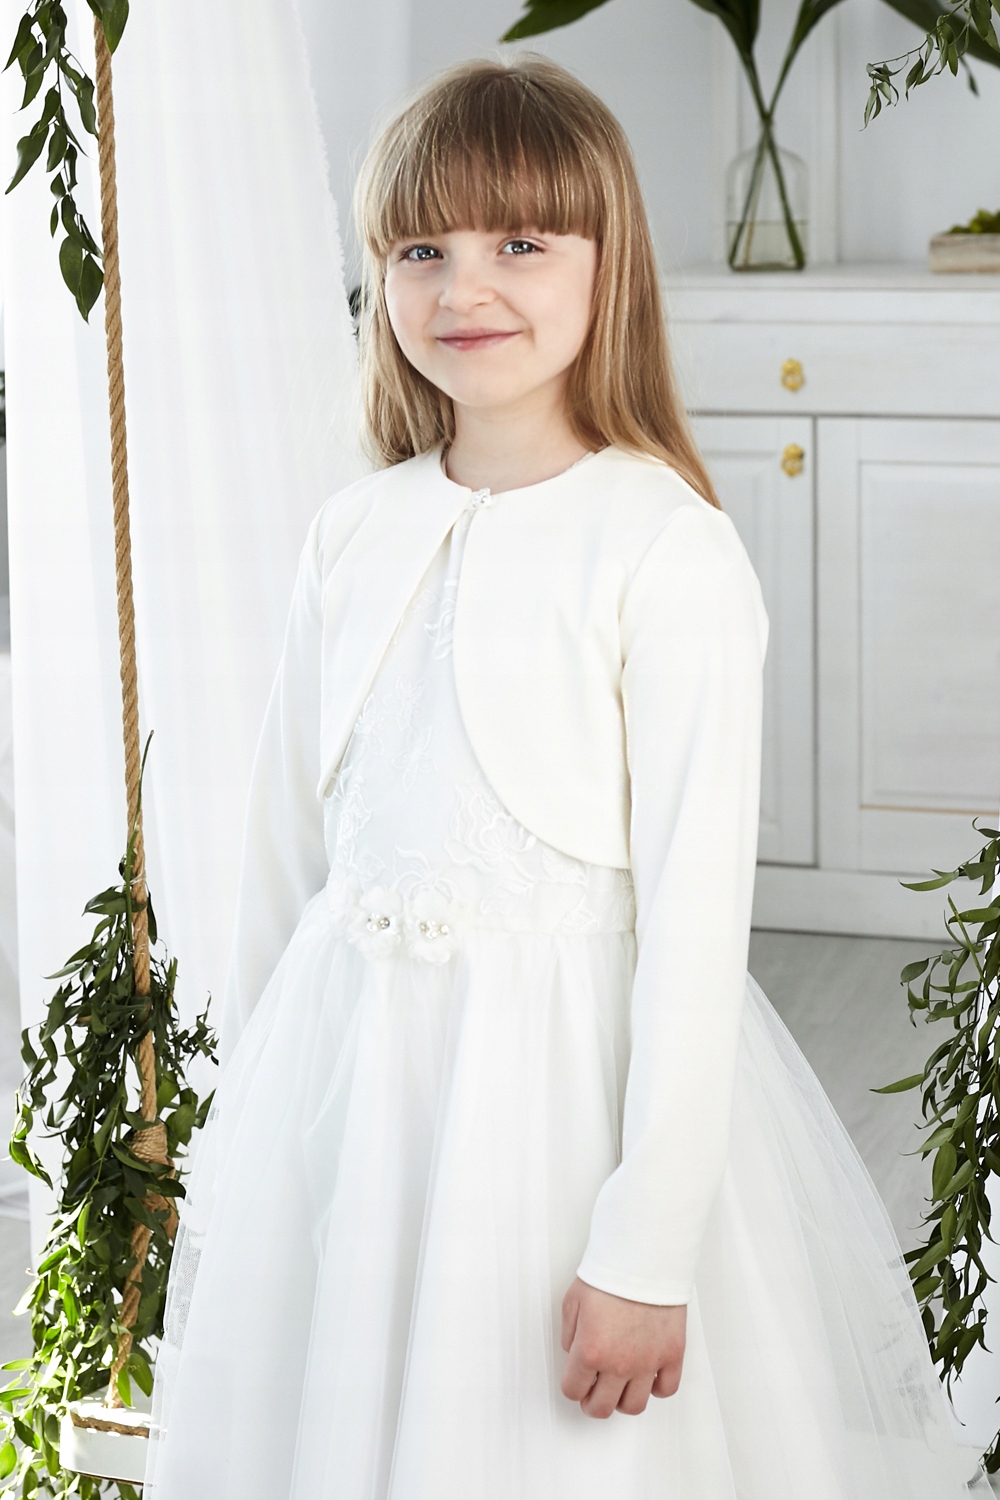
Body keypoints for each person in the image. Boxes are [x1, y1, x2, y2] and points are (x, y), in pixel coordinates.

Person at [144, 54, 967, 1500]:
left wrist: (645, 1247)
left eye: (520, 242)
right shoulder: (350, 536)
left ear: (608, 264)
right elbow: (287, 863)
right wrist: (252, 1138)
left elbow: (697, 927)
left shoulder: (664, 546)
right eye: (421, 249)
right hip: (359, 1099)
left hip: (555, 1116)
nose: (466, 285)